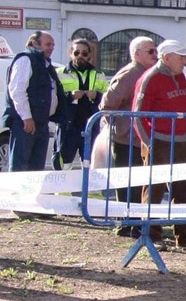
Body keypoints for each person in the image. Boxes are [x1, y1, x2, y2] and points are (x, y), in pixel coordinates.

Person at [132, 39, 186, 252]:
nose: (184, 61)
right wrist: (148, 142)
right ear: (167, 58)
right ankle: (151, 235)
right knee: (154, 189)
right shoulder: (150, 78)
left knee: (182, 189)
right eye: (180, 57)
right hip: (159, 141)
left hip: (182, 141)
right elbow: (137, 114)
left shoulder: (181, 75)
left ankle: (185, 238)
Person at [99, 36, 158, 236]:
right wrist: (120, 128)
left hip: (140, 138)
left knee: (139, 181)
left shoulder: (147, 73)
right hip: (126, 138)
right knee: (126, 181)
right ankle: (125, 223)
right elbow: (107, 106)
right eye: (150, 51)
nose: (155, 55)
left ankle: (135, 222)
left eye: (155, 50)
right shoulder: (130, 74)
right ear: (137, 54)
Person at [3, 30, 67, 173]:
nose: (51, 48)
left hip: (41, 122)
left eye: (53, 45)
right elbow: (17, 90)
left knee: (36, 170)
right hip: (26, 123)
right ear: (34, 43)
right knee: (20, 167)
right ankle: (16, 195)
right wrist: (27, 117)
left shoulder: (44, 64)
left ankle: (32, 196)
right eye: (48, 44)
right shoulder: (26, 60)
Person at [54, 40, 110, 170]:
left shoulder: (98, 74)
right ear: (71, 54)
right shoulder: (60, 73)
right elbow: (53, 97)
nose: (80, 56)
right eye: (76, 52)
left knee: (90, 162)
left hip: (90, 124)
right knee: (64, 161)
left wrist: (96, 96)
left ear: (89, 55)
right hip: (68, 124)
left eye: (84, 53)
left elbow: (107, 97)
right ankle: (63, 190)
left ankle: (91, 189)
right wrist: (71, 96)